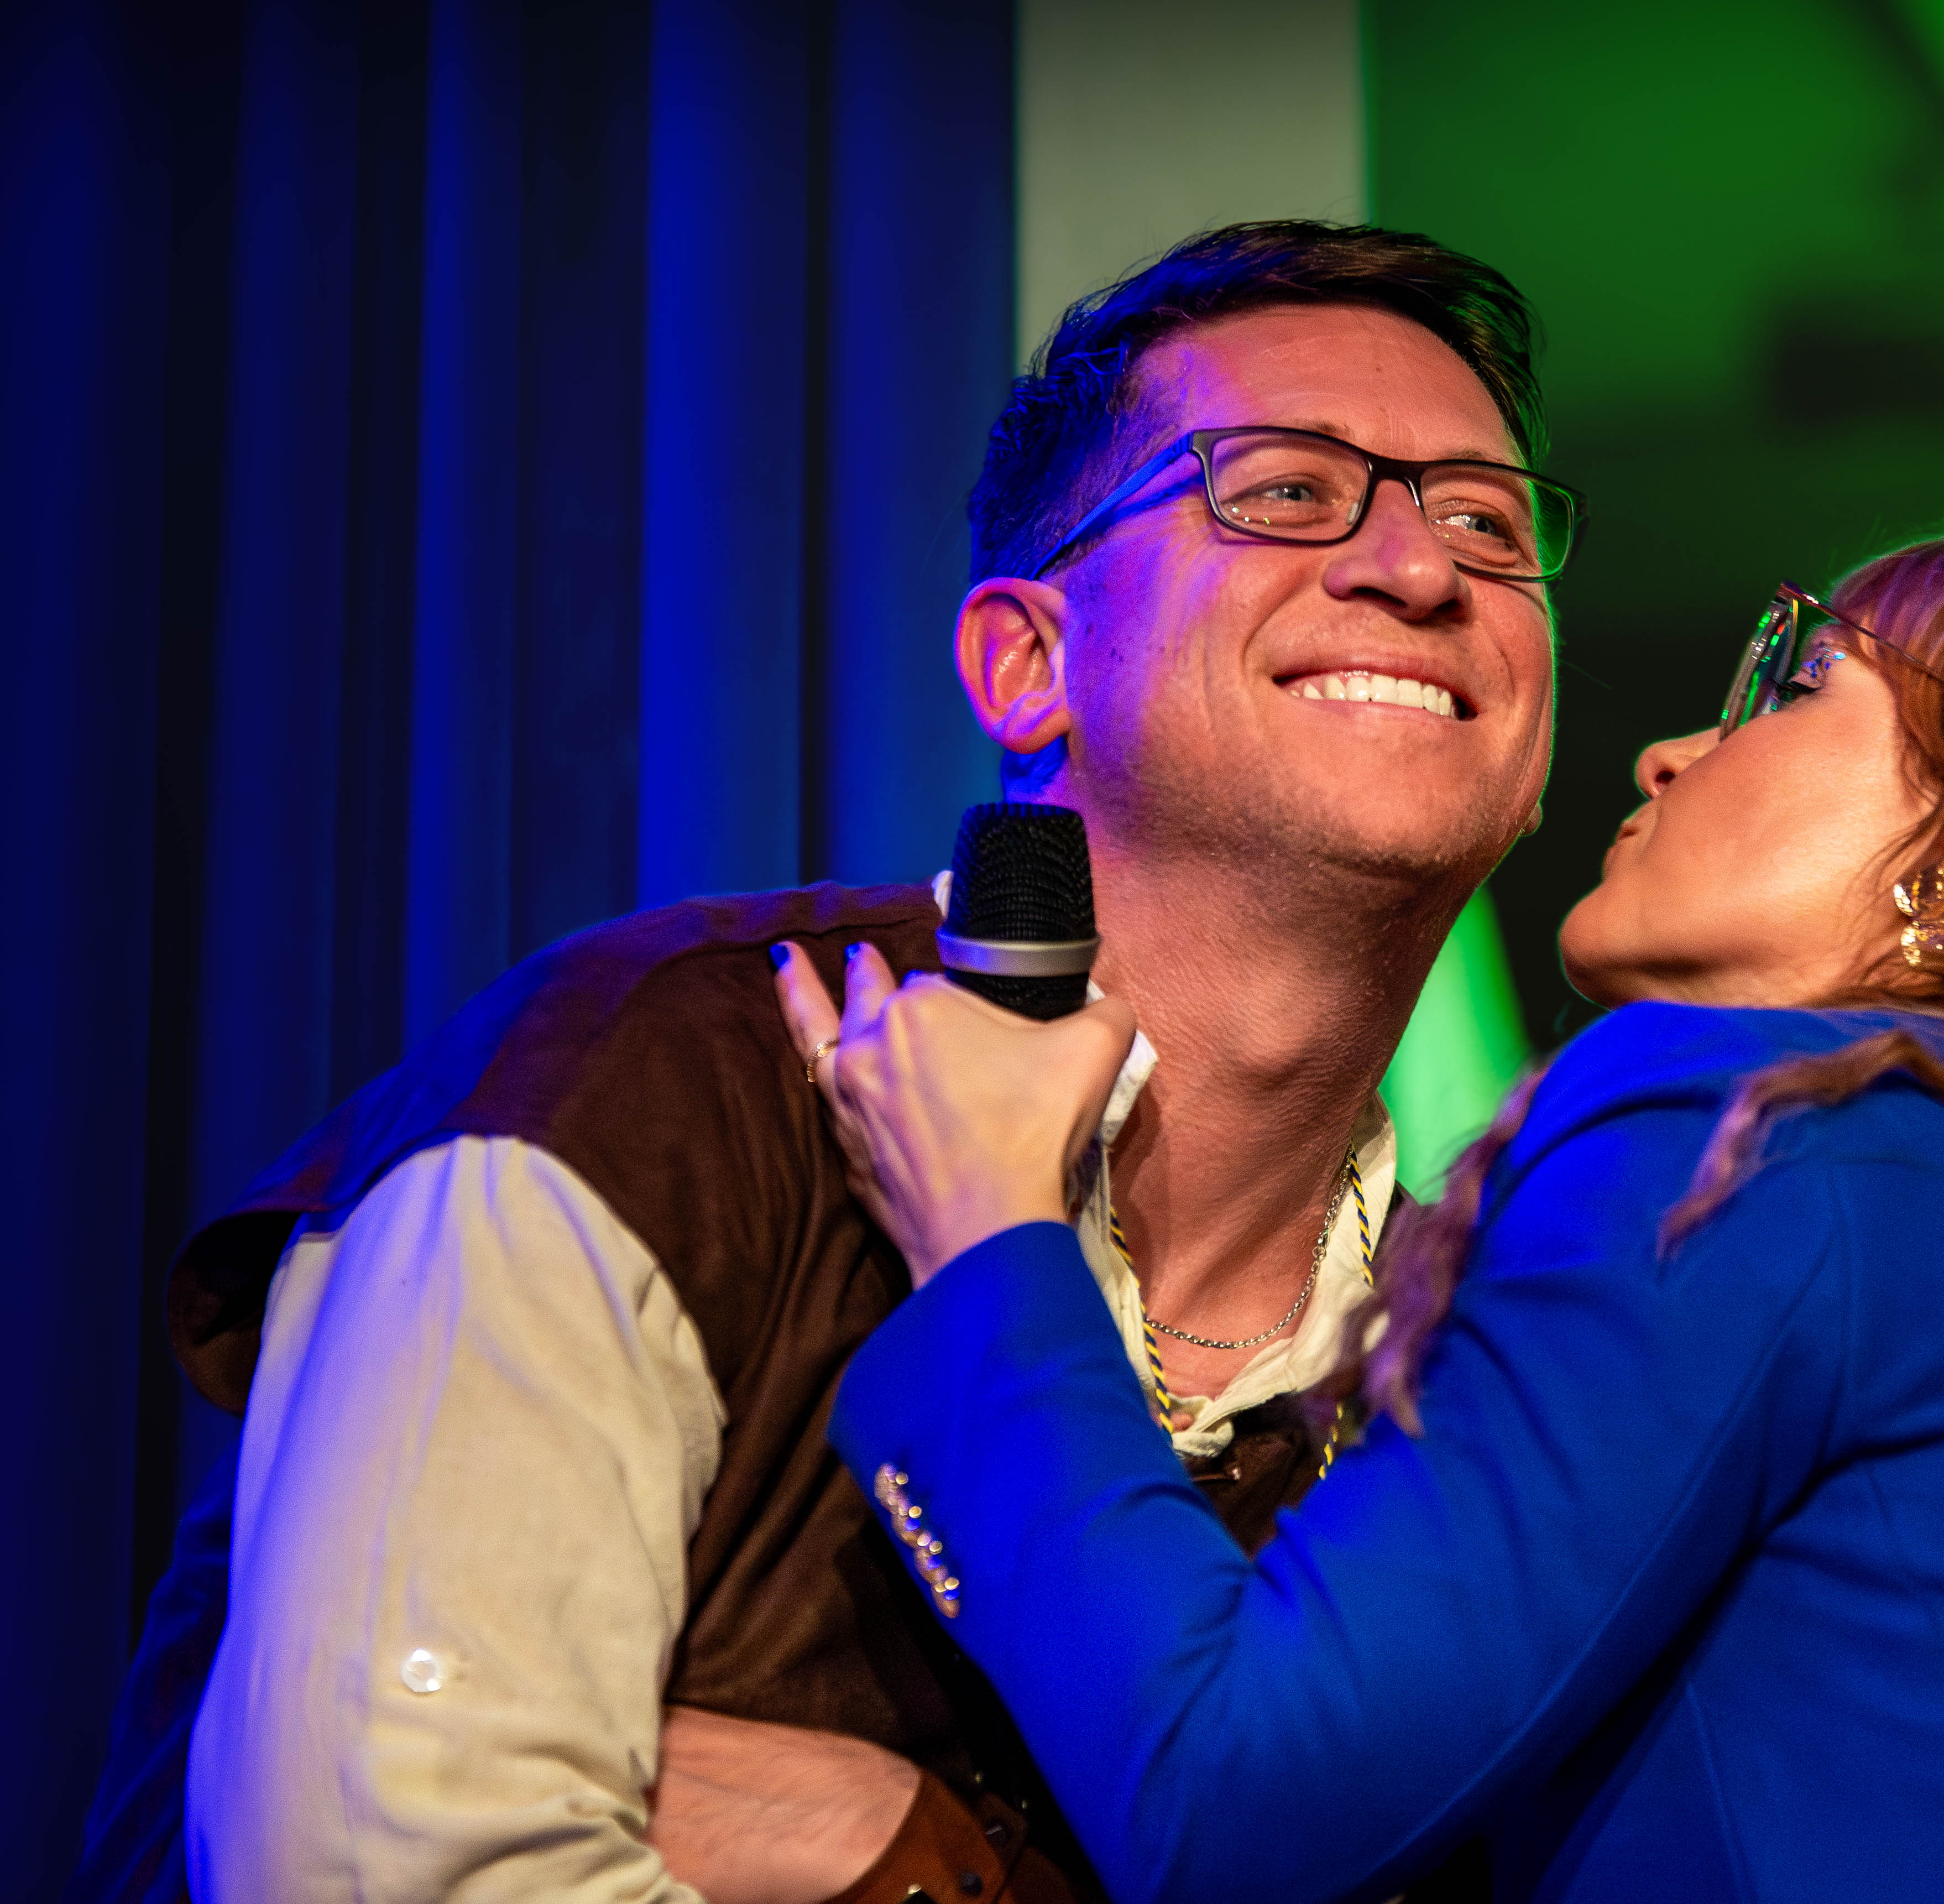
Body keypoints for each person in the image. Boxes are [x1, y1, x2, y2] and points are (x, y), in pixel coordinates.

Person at [788, 389, 1944, 1904]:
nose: (1669, 753)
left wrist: (994, 1234)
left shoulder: (1771, 1134)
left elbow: (1229, 1794)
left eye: (1795, 686)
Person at [72, 220, 1572, 1904]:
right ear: (1027, 662)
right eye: (1288, 492)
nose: (1423, 570)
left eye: (1488, 524)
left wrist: (902, 1859)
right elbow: (378, 1868)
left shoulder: (1484, 1369)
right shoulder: (652, 1087)